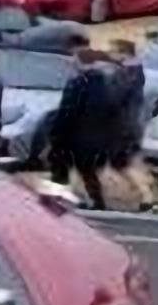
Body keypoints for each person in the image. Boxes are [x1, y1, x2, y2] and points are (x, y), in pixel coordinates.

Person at [48, 46, 119, 210]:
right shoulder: (107, 85)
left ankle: (55, 199)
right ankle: (97, 201)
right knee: (87, 170)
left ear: (80, 62)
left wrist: (55, 133)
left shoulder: (77, 84)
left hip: (73, 135)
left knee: (60, 167)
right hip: (96, 137)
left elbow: (67, 111)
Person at [103, 38, 157, 212]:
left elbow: (114, 97)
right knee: (121, 163)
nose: (109, 54)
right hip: (127, 124)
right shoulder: (132, 71)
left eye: (113, 51)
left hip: (122, 126)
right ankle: (145, 191)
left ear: (124, 53)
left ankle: (146, 193)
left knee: (118, 163)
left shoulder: (127, 73)